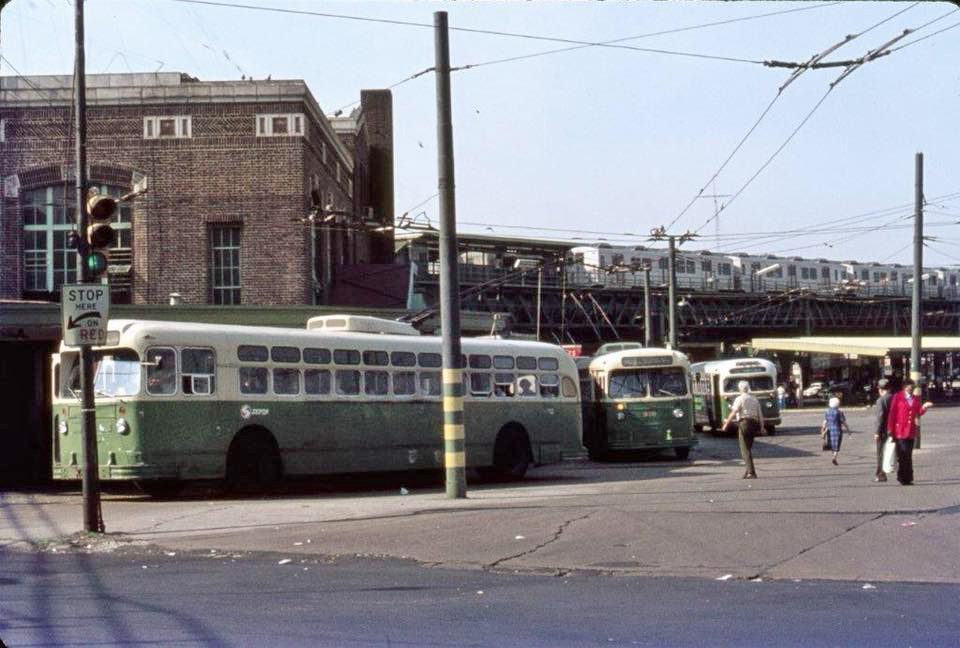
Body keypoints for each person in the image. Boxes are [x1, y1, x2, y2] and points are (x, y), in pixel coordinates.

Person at [886, 379, 934, 485]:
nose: (911, 388)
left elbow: (918, 412)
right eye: (909, 386)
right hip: (900, 430)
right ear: (904, 387)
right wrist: (890, 429)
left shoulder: (915, 398)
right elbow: (892, 414)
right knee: (903, 455)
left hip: (911, 430)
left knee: (908, 455)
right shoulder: (897, 397)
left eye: (912, 387)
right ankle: (902, 477)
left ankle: (908, 477)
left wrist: (925, 407)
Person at [722, 380, 763, 479]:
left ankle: (751, 472)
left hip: (744, 423)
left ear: (740, 388)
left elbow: (734, 411)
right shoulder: (754, 399)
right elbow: (760, 415)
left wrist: (726, 424)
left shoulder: (739, 399)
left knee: (744, 449)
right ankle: (748, 470)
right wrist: (762, 427)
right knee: (748, 447)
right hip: (754, 424)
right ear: (748, 388)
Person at [872, 379, 893, 482]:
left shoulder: (881, 400)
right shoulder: (895, 398)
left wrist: (877, 432)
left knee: (881, 452)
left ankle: (881, 474)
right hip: (895, 429)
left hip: (884, 430)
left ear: (880, 389)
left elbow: (880, 417)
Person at [820, 397, 849, 466]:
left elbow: (825, 422)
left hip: (830, 430)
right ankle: (834, 457)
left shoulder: (827, 412)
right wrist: (848, 430)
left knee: (832, 444)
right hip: (838, 430)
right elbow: (843, 422)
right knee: (837, 444)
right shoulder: (839, 412)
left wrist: (823, 431)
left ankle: (834, 456)